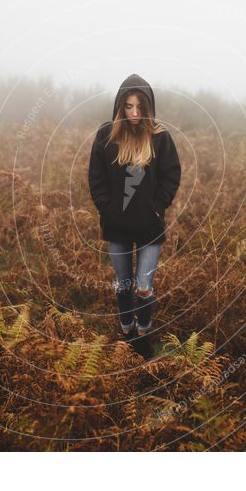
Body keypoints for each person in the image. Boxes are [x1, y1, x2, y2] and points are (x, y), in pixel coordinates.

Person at [88, 73, 181, 341]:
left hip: (149, 226)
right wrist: (107, 209)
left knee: (142, 287)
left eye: (140, 107)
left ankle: (142, 333)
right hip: (116, 226)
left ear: (148, 107)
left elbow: (171, 174)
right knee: (123, 285)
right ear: (120, 106)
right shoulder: (106, 135)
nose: (134, 113)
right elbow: (96, 178)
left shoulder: (159, 136)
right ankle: (126, 329)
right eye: (128, 106)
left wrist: (157, 207)